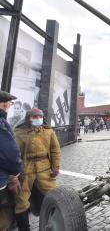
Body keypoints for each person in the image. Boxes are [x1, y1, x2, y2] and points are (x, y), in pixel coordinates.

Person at [14, 108, 61, 230]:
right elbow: (15, 153)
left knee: (54, 195)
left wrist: (55, 166)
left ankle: (54, 221)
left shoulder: (48, 131)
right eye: (34, 117)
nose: (37, 119)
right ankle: (24, 228)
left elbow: (55, 150)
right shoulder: (20, 132)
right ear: (28, 118)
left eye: (39, 117)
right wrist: (14, 173)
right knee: (21, 201)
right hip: (26, 170)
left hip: (44, 169)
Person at [0, 91, 22, 231]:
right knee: (5, 212)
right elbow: (9, 152)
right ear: (4, 103)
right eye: (9, 103)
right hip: (1, 178)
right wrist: (16, 170)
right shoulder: (1, 123)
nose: (9, 106)